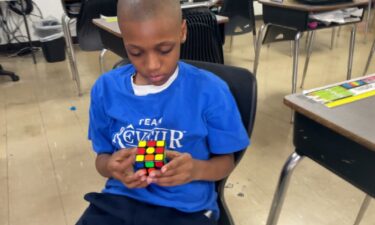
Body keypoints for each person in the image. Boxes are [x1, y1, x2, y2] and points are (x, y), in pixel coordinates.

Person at [76, 0, 250, 224]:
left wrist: (195, 170)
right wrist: (110, 167)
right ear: (124, 41)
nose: (152, 65)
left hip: (185, 208)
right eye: (135, 52)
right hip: (121, 201)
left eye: (164, 49)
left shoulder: (210, 91)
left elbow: (225, 162)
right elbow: (102, 159)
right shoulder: (105, 89)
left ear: (182, 32)